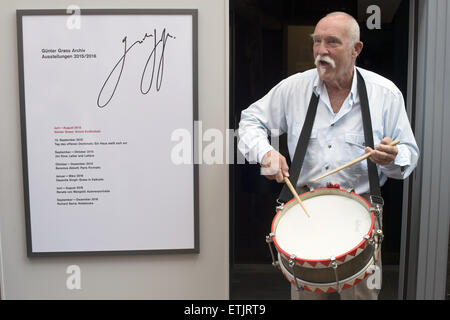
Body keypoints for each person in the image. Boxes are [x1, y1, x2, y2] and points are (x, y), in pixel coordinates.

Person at [237, 11, 419, 300]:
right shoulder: (294, 88)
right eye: (317, 41)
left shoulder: (385, 94)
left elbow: (409, 154)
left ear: (356, 49)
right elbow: (249, 122)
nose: (321, 50)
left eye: (332, 42)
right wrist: (267, 152)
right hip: (305, 213)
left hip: (363, 223)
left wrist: (392, 157)